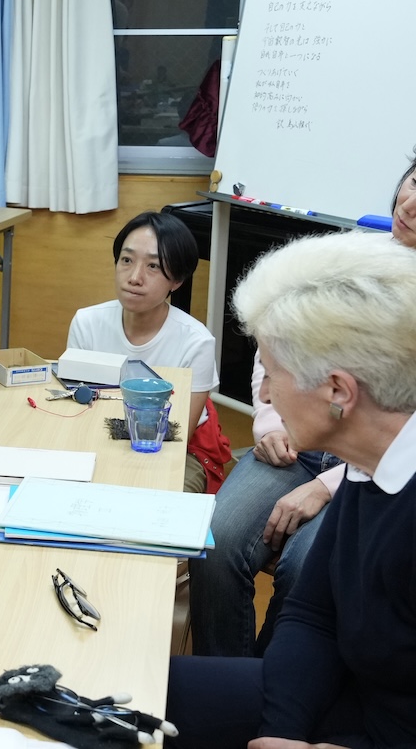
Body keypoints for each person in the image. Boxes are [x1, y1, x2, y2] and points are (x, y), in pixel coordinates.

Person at [165, 230, 416, 749]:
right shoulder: (368, 469)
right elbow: (314, 612)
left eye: (273, 373)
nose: (263, 392)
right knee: (139, 695)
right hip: (348, 698)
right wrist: (281, 729)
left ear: (338, 392)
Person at [188, 153, 416, 657]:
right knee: (213, 538)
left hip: (368, 472)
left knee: (307, 569)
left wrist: (323, 486)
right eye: (413, 183)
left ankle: (272, 682)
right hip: (298, 442)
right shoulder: (349, 256)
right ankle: (227, 673)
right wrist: (272, 421)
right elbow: (275, 340)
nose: (410, 204)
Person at [66, 211, 231, 493]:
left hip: (173, 448)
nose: (135, 277)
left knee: (155, 501)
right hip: (97, 441)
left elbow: (175, 435)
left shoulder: (196, 341)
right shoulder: (87, 323)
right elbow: (78, 408)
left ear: (177, 280)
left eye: (153, 266)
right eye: (127, 260)